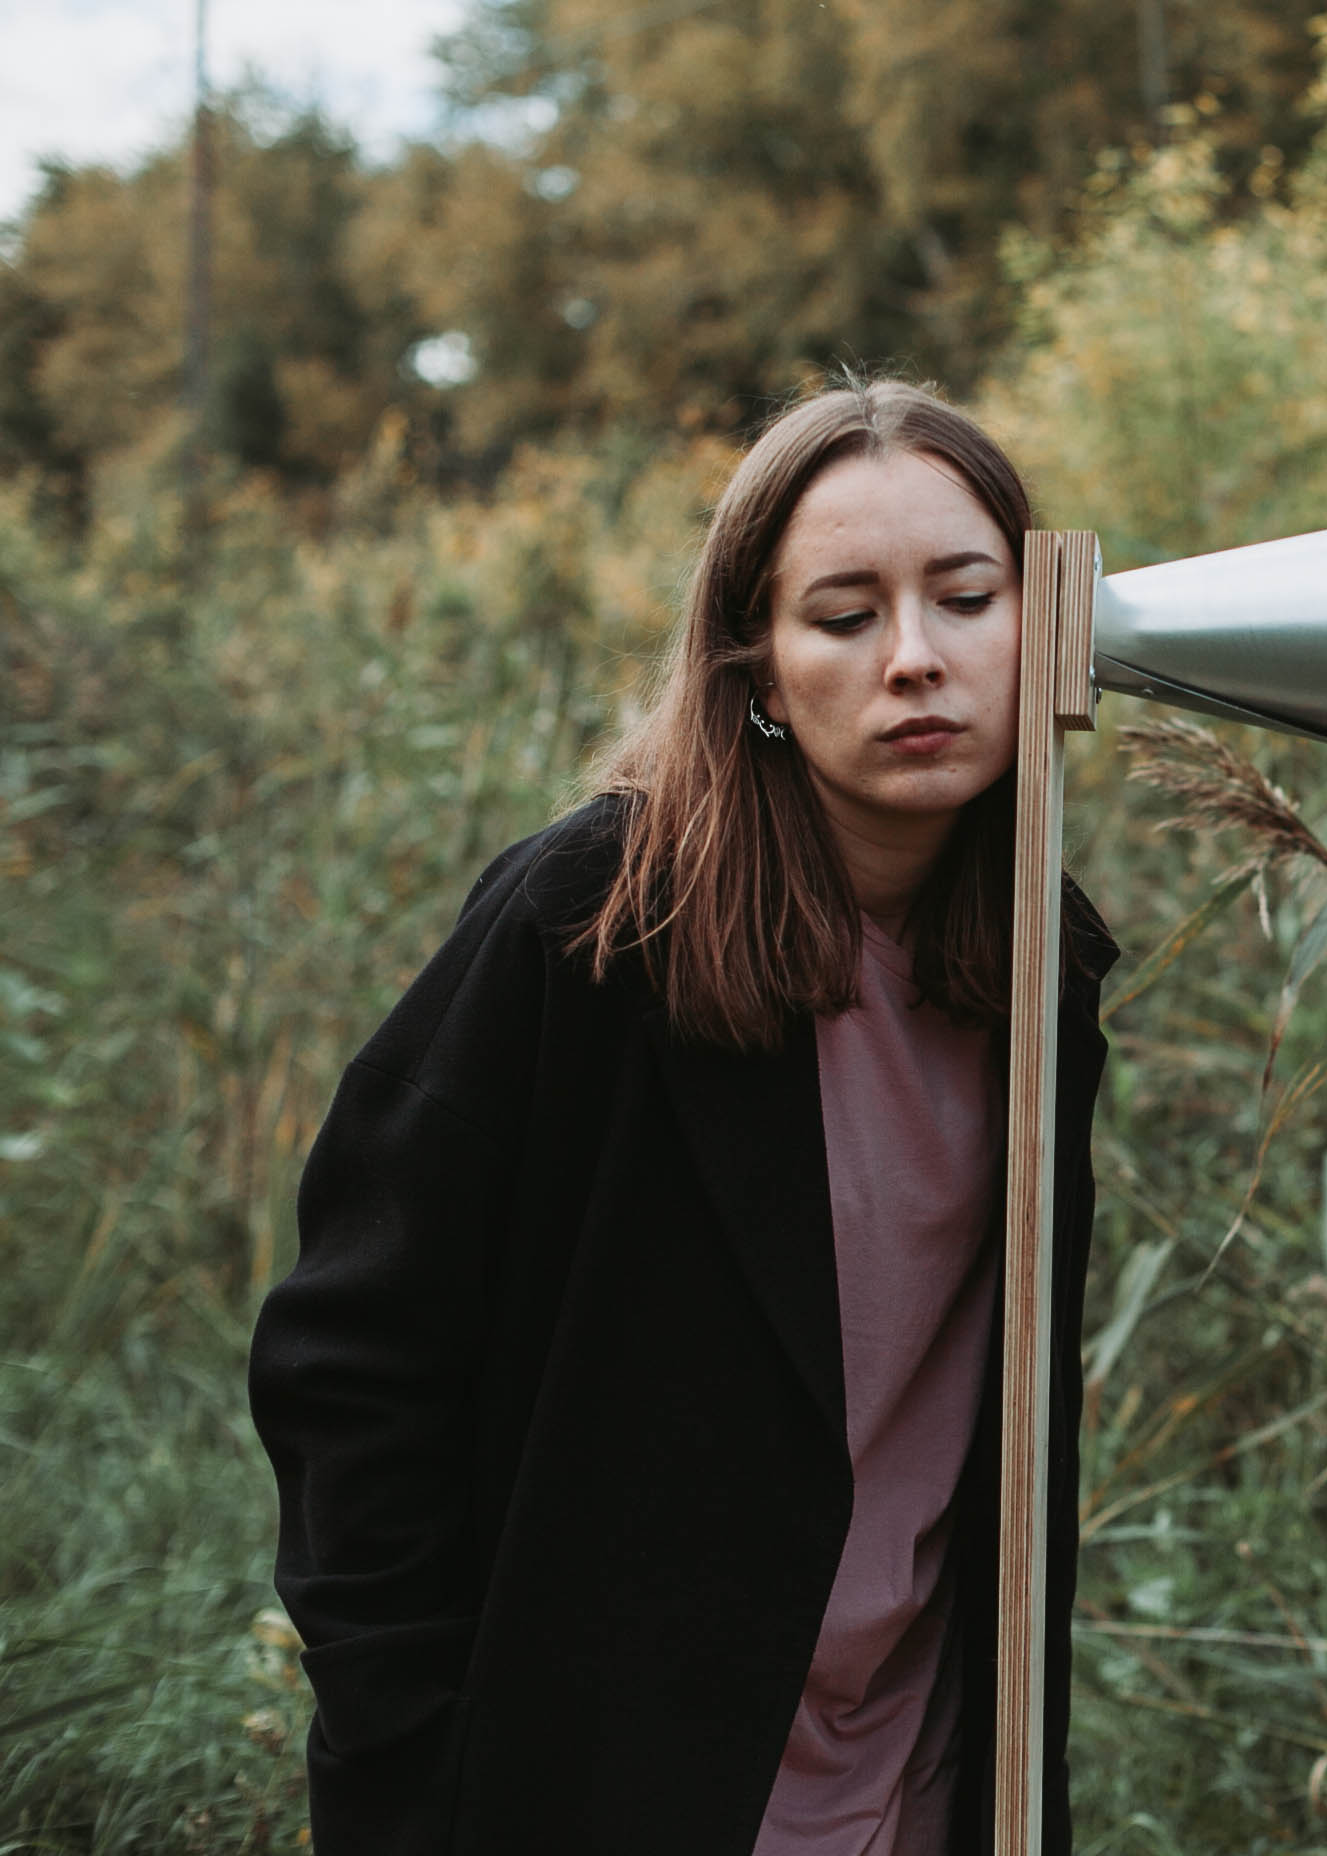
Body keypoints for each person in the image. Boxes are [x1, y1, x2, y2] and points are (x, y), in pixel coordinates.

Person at [248, 382, 1115, 1856]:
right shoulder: (588, 927)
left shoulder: (1041, 966)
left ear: (1047, 629)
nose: (917, 659)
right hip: (611, 1772)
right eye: (844, 617)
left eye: (968, 598)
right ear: (760, 668)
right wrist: (413, 1750)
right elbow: (352, 1360)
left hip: (928, 1761)